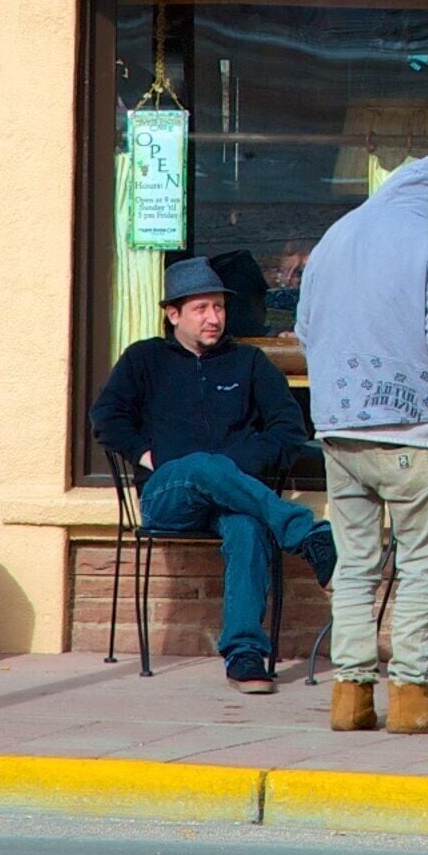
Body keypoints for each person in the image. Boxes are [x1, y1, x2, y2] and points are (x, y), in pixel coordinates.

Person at [88, 256, 336, 694]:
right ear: (173, 314)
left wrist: (238, 467)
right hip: (169, 495)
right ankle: (307, 535)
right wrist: (147, 455)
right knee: (203, 465)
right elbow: (106, 418)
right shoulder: (145, 358)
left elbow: (289, 429)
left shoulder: (248, 362)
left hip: (234, 498)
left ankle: (244, 654)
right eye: (201, 308)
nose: (214, 318)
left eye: (219, 307)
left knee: (247, 526)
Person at [295, 155, 428, 736]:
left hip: (338, 428)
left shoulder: (335, 236)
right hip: (408, 429)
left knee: (354, 565)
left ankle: (350, 696)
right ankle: (411, 697)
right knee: (420, 564)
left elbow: (305, 329)